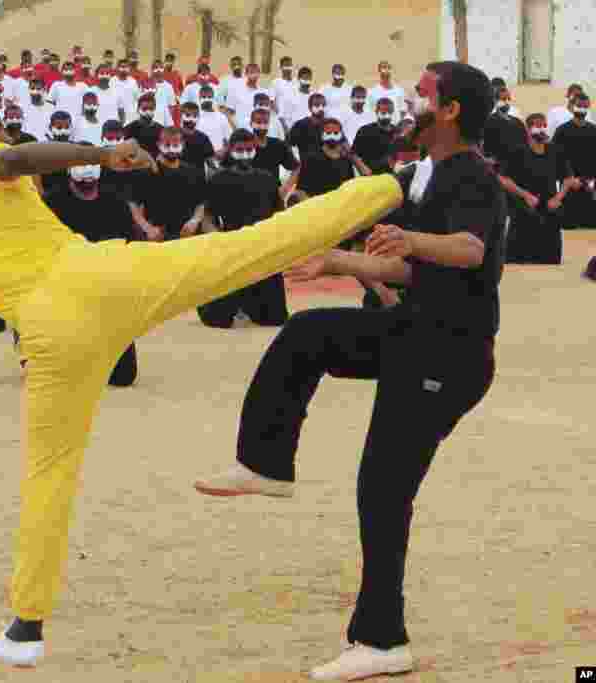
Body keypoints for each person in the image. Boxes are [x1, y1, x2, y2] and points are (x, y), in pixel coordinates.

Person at [0, 95, 404, 667]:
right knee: (244, 250)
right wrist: (101, 152)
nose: (5, 135)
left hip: (45, 334)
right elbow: (14, 161)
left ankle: (25, 629)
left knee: (47, 476)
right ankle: (392, 187)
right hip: (95, 280)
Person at [194, 61, 504, 682]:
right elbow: (413, 273)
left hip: (450, 355)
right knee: (308, 333)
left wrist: (412, 244)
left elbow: (470, 251)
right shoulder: (426, 175)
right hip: (413, 334)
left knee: (383, 488)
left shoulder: (472, 176)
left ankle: (382, 639)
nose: (409, 103)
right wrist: (339, 261)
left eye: (422, 94)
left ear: (449, 111)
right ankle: (266, 462)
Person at [42, 162, 139, 387]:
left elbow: (130, 250)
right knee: (62, 376)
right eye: (80, 168)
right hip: (63, 291)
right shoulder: (51, 204)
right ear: (68, 171)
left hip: (106, 290)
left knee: (123, 377)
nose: (87, 175)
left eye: (91, 168)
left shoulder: (116, 204)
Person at [197, 129, 289, 328]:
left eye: (249, 149)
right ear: (230, 149)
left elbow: (280, 213)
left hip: (262, 249)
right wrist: (216, 237)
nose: (245, 154)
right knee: (218, 320)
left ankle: (250, 305)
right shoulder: (218, 179)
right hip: (232, 249)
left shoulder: (267, 178)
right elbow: (207, 216)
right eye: (240, 150)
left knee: (275, 319)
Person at [499, 113, 579, 264]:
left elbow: (568, 179)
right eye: (537, 125)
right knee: (518, 262)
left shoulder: (555, 151)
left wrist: (558, 198)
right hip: (523, 213)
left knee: (549, 262)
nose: (541, 129)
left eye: (544, 125)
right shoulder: (517, 151)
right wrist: (525, 195)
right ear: (528, 130)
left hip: (549, 213)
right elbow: (504, 179)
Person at [127, 126, 206, 242]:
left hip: (187, 236)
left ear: (182, 145)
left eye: (175, 145)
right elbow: (132, 204)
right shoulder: (147, 172)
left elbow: (201, 203)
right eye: (167, 145)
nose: (171, 149)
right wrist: (147, 228)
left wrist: (194, 221)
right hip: (159, 237)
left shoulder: (193, 171)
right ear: (159, 144)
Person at [550, 93, 596, 229]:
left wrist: (591, 181)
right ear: (572, 107)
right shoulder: (562, 131)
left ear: (589, 107)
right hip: (569, 185)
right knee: (569, 225)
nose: (581, 109)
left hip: (590, 184)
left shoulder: (594, 130)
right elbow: (555, 157)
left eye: (584, 106)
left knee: (591, 225)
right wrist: (568, 178)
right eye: (579, 106)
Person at [249, 108, 300, 199]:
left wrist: (285, 188)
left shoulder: (277, 145)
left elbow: (296, 168)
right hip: (250, 196)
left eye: (265, 122)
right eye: (258, 122)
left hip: (274, 195)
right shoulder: (244, 147)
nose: (262, 126)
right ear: (251, 123)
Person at [483, 86, 527, 172]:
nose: (506, 102)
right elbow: (485, 144)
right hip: (497, 167)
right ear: (495, 101)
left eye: (508, 99)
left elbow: (524, 141)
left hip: (517, 165)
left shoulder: (517, 120)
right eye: (503, 99)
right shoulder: (488, 121)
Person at [353, 98, 399, 176]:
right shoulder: (365, 131)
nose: (387, 115)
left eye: (389, 112)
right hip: (370, 176)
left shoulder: (397, 132)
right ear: (376, 112)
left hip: (392, 177)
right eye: (383, 112)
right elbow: (353, 154)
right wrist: (361, 167)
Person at [287, 91, 327, 159]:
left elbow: (343, 146)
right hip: (306, 167)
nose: (321, 108)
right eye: (317, 105)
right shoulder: (300, 125)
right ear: (309, 107)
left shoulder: (332, 125)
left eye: (323, 105)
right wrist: (293, 163)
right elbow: (287, 145)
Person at [123, 92, 162, 158]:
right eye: (144, 109)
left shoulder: (161, 130)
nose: (147, 112)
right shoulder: (128, 129)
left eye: (151, 109)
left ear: (155, 109)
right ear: (138, 109)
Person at [179, 101, 215, 167]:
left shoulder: (203, 138)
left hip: (199, 175)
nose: (191, 119)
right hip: (178, 175)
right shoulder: (174, 135)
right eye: (187, 115)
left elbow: (210, 161)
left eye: (195, 116)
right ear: (180, 115)